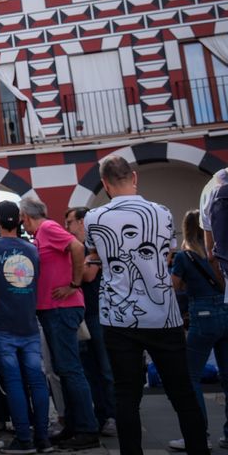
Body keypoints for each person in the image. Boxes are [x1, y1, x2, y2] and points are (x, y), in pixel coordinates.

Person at [85, 156, 208, 455]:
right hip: (163, 315)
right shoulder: (162, 213)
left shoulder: (93, 217)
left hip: (117, 317)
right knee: (182, 393)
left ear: (105, 184)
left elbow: (95, 254)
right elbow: (165, 254)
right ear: (134, 177)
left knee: (126, 396)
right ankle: (198, 449)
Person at [19, 195, 99, 450]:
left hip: (62, 308)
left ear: (27, 217)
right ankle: (75, 425)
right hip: (54, 309)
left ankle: (87, 429)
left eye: (23, 220)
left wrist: (73, 284)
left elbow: (77, 247)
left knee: (70, 369)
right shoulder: (43, 233)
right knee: (65, 370)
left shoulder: (48, 228)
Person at [0, 200, 53, 454]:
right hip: (29, 323)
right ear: (20, 220)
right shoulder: (32, 250)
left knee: (14, 382)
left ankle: (24, 438)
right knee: (37, 381)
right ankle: (44, 438)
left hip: (3, 324)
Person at [171, 209, 228, 450]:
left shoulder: (184, 257)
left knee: (190, 376)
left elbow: (172, 287)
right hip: (226, 310)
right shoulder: (219, 253)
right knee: (227, 376)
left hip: (202, 315)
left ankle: (198, 434)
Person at [63, 206, 116, 438]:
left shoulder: (95, 248)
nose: (67, 226)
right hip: (85, 314)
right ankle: (101, 414)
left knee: (105, 369)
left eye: (70, 222)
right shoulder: (83, 251)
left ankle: (113, 415)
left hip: (98, 313)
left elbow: (87, 275)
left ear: (82, 222)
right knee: (90, 369)